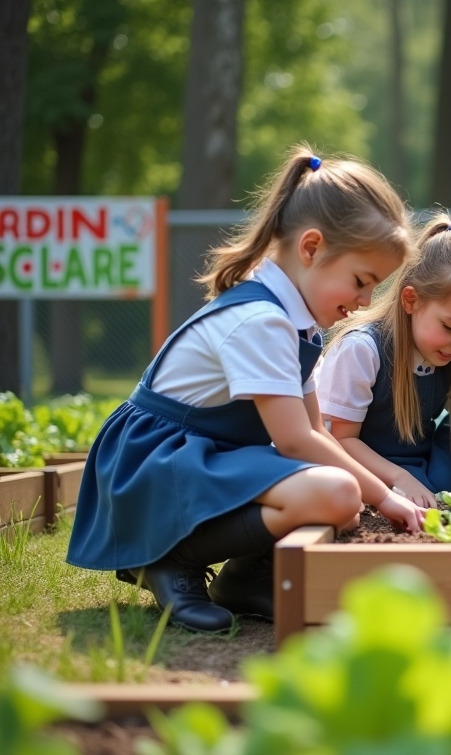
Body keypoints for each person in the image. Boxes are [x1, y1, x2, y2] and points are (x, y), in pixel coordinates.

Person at [66, 146, 424, 634]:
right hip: (154, 464)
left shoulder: (300, 325)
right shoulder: (261, 321)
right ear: (312, 248)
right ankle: (169, 561)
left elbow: (314, 433)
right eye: (361, 282)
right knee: (338, 491)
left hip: (201, 456)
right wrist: (384, 496)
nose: (364, 301)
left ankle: (245, 579)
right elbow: (298, 441)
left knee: (334, 489)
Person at [318, 216, 451, 506]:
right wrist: (399, 479)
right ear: (411, 300)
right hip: (367, 467)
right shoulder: (362, 350)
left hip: (422, 461)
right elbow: (341, 441)